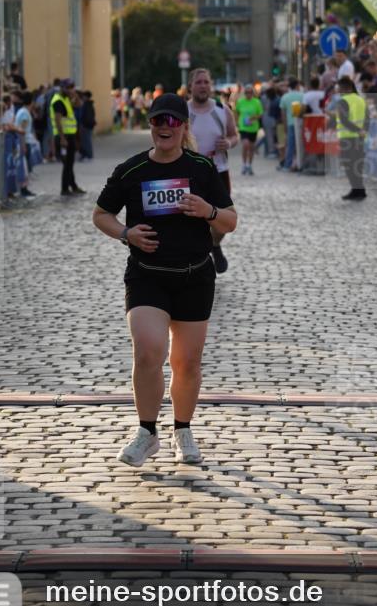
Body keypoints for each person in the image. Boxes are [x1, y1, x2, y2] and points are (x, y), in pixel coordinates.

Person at [93, 93, 237, 467]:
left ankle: (182, 429)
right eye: (158, 121)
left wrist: (208, 211)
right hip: (147, 276)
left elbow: (230, 221)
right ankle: (146, 432)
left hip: (194, 276)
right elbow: (100, 214)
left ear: (184, 127)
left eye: (172, 121)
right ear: (151, 125)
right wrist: (126, 233)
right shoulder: (132, 170)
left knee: (186, 362)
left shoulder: (201, 168)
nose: (165, 128)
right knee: (147, 351)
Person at [187, 67, 239, 274]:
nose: (203, 86)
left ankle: (215, 245)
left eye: (206, 82)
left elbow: (234, 135)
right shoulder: (183, 111)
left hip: (219, 171)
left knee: (222, 219)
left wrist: (228, 142)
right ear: (190, 86)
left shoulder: (222, 109)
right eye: (198, 82)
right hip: (190, 173)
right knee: (191, 220)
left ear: (211, 86)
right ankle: (196, 261)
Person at [334, 75, 368, 200]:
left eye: (339, 88)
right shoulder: (361, 99)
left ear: (344, 88)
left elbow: (344, 120)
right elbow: (368, 118)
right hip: (360, 138)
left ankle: (357, 190)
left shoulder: (343, 101)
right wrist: (363, 131)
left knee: (349, 166)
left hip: (347, 138)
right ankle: (359, 190)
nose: (338, 91)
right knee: (358, 165)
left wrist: (358, 130)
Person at [50, 79, 85, 196]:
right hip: (63, 137)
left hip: (70, 136)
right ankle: (64, 189)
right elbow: (58, 120)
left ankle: (73, 186)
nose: (71, 89)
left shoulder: (66, 98)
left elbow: (79, 105)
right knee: (67, 164)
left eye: (72, 87)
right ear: (63, 88)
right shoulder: (58, 101)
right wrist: (62, 138)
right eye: (69, 87)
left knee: (69, 163)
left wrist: (75, 95)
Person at [235, 84, 263, 176]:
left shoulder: (257, 102)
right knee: (245, 145)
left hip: (253, 128)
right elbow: (236, 112)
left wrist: (253, 118)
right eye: (247, 92)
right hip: (243, 127)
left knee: (251, 148)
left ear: (253, 93)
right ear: (244, 93)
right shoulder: (240, 102)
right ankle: (243, 164)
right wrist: (237, 122)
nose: (248, 94)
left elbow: (260, 114)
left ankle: (249, 165)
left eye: (250, 92)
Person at [278, 77, 303, 171]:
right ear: (297, 86)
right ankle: (301, 163)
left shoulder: (285, 97)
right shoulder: (302, 95)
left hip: (290, 123)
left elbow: (283, 114)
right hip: (301, 123)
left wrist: (285, 125)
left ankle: (287, 165)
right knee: (301, 145)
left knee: (290, 145)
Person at [78, 90, 96, 161]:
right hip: (89, 125)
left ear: (86, 97)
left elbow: (85, 116)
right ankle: (88, 155)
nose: (82, 97)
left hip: (86, 125)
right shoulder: (90, 104)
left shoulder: (86, 104)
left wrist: (83, 124)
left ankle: (88, 155)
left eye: (83, 96)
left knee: (86, 141)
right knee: (87, 140)